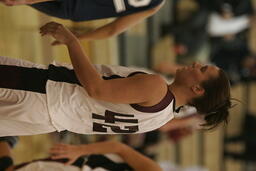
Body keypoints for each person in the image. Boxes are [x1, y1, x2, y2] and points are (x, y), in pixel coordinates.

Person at [0, 21, 231, 136]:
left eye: (203, 69)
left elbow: (96, 89)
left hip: (42, 91)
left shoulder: (156, 88)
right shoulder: (161, 118)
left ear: (197, 89)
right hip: (48, 120)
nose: (196, 63)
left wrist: (72, 41)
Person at [0, 0, 165, 43]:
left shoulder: (154, 5)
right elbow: (112, 30)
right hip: (74, 11)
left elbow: (113, 29)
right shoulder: (155, 5)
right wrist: (78, 38)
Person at [0, 137, 163, 171]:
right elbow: (119, 148)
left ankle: (6, 140)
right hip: (78, 167)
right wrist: (80, 150)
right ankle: (6, 140)